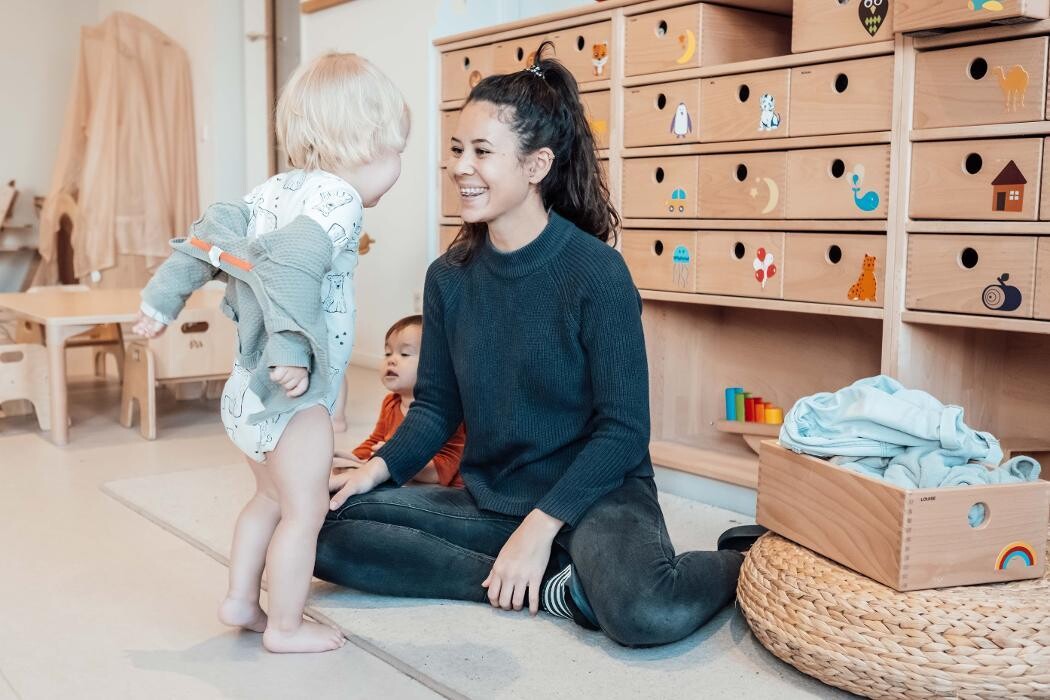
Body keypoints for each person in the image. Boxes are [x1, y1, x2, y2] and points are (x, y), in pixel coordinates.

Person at [317, 45, 755, 648]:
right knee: (324, 531)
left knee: (646, 613)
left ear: (536, 164)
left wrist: (542, 524)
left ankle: (742, 559)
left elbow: (624, 432)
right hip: (496, 498)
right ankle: (557, 586)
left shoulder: (598, 273)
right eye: (456, 151)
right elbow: (436, 408)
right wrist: (378, 469)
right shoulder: (449, 275)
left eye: (482, 152)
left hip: (599, 493)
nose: (461, 168)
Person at [132, 52, 409, 653]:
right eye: (398, 154)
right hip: (290, 390)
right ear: (365, 143)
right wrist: (292, 350)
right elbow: (294, 269)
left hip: (246, 391)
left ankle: (240, 599)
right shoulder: (339, 201)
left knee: (266, 498)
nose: (398, 169)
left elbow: (209, 238)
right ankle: (285, 626)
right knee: (304, 513)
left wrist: (161, 300)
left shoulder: (274, 189)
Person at [334, 314, 465, 487]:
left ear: (437, 364)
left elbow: (443, 470)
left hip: (446, 494)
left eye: (404, 353)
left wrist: (394, 459)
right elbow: (375, 441)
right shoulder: (391, 403)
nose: (391, 360)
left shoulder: (448, 411)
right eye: (387, 353)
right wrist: (355, 458)